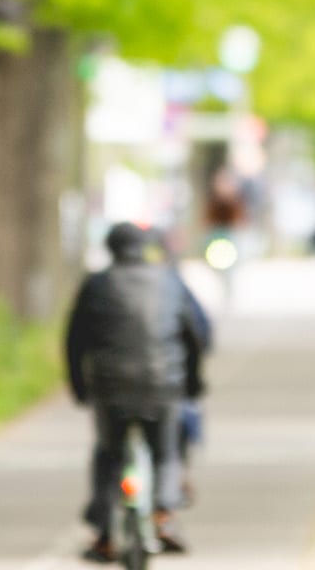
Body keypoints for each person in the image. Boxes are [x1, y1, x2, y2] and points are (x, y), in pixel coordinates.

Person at [65, 223, 212, 561]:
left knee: (108, 455)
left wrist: (79, 387)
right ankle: (164, 515)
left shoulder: (97, 284)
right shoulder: (169, 280)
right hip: (163, 384)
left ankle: (104, 536)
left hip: (109, 387)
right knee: (166, 452)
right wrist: (192, 383)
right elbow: (193, 336)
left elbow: (75, 340)